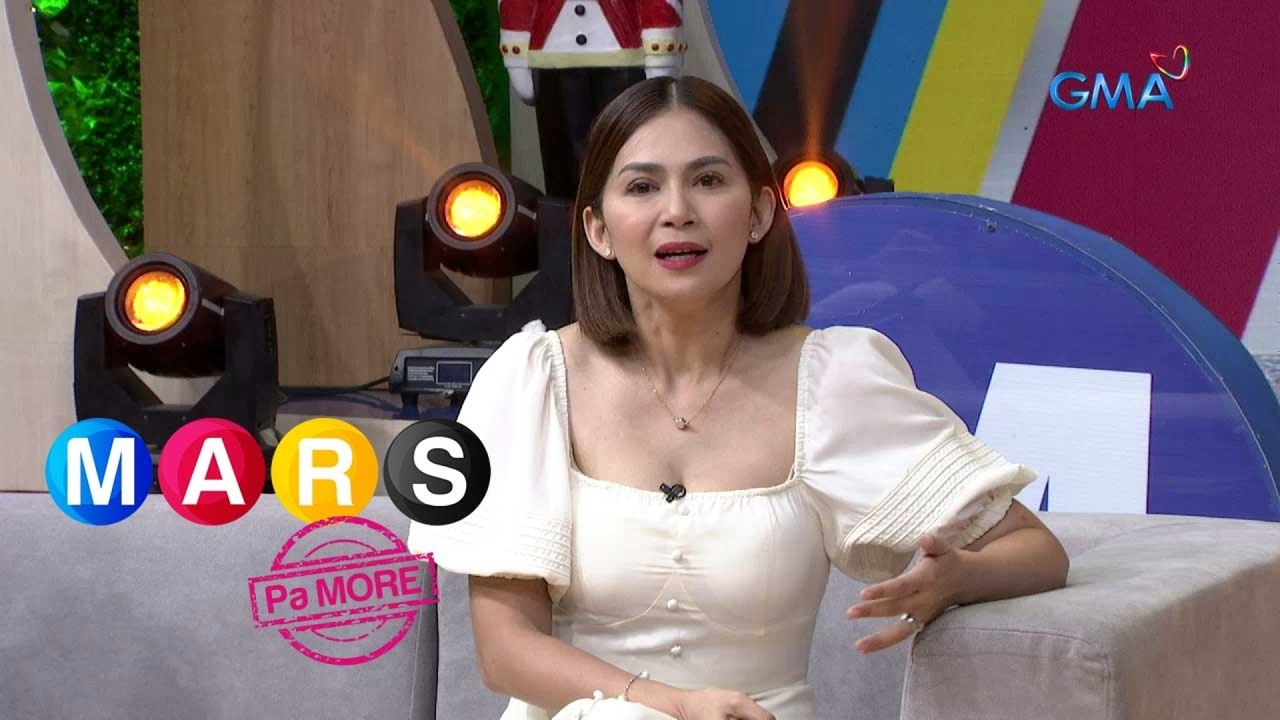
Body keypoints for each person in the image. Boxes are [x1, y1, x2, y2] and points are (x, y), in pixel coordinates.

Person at [407, 75, 1070, 720]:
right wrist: (668, 705)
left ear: (757, 213)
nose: (677, 211)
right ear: (598, 230)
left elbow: (1036, 550)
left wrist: (956, 578)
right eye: (642, 186)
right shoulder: (532, 380)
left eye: (708, 180)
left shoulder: (833, 381)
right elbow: (506, 651)